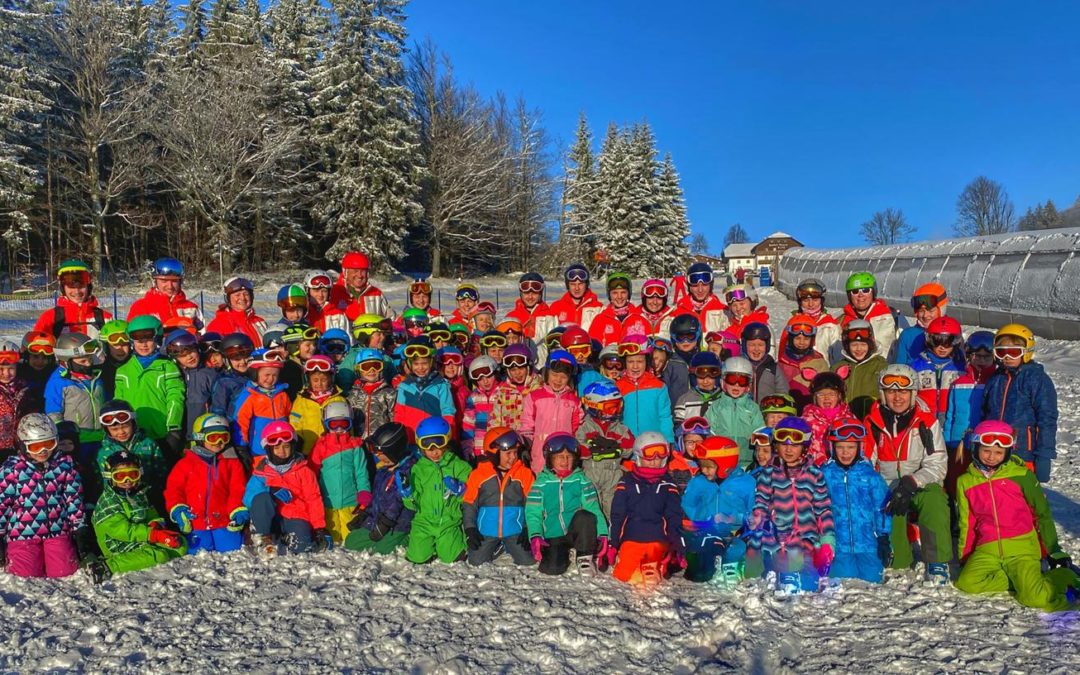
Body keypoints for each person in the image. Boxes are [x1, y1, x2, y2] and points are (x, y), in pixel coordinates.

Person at [955, 421, 1078, 611]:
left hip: (1022, 547)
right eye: (986, 450)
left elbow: (1042, 514)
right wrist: (965, 555)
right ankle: (1020, 580)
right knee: (967, 583)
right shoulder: (965, 482)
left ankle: (1063, 577)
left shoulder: (1022, 475)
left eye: (998, 452)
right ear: (976, 447)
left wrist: (1053, 549)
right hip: (988, 548)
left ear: (1007, 452)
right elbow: (967, 521)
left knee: (1035, 599)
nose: (991, 457)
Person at [862, 364, 953, 583]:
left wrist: (912, 482)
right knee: (898, 562)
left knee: (935, 499)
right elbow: (865, 462)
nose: (897, 397)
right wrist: (880, 488)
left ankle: (937, 560)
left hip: (918, 484)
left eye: (903, 391)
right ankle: (897, 549)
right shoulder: (872, 422)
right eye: (891, 391)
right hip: (888, 486)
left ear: (913, 394)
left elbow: (938, 463)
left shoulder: (926, 422)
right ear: (883, 394)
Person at [746, 417, 835, 593]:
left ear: (804, 446)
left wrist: (827, 540)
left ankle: (795, 574)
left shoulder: (814, 474)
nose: (788, 449)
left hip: (807, 540)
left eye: (794, 445)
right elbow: (761, 504)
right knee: (781, 569)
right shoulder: (769, 474)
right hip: (777, 541)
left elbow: (823, 509)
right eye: (783, 444)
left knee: (809, 583)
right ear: (776, 446)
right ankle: (780, 574)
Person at [0, 414, 84, 578]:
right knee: (24, 575)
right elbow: (2, 504)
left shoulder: (64, 465)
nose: (43, 451)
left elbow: (73, 500)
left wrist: (80, 531)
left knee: (65, 572)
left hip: (57, 531)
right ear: (24, 445)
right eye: (35, 447)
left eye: (48, 444)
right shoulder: (12, 469)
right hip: (22, 534)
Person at [88, 450, 187, 583]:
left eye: (133, 475)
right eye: (120, 476)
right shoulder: (108, 502)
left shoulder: (138, 493)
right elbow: (123, 531)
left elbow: (150, 512)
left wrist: (155, 524)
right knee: (158, 555)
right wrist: (153, 535)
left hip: (143, 535)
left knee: (180, 544)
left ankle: (149, 551)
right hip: (120, 544)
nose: (127, 480)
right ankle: (107, 566)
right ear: (110, 477)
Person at [981, 323, 1057, 483]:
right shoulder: (995, 378)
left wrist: (1044, 455)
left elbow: (1047, 419)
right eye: (1001, 352)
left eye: (1014, 352)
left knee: (1020, 498)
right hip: (994, 452)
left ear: (1026, 352)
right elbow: (985, 412)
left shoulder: (1036, 379)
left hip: (1023, 453)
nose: (1007, 357)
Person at [524, 434, 608, 575]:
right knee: (552, 569)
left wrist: (602, 533)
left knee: (585, 516)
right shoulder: (541, 484)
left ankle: (584, 557)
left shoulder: (582, 481)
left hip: (575, 531)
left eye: (569, 456)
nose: (565, 461)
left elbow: (594, 508)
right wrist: (535, 535)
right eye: (560, 457)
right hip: (553, 533)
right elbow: (533, 512)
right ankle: (562, 554)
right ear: (550, 458)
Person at [163, 413, 247, 554]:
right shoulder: (186, 464)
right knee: (197, 553)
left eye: (224, 437)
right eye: (213, 437)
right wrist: (178, 509)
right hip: (196, 522)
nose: (219, 442)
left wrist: (237, 509)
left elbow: (237, 489)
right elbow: (173, 490)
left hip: (223, 521)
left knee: (232, 551)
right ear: (200, 437)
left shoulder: (232, 462)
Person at [820, 418, 891, 583]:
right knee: (844, 578)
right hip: (840, 546)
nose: (846, 453)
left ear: (859, 448)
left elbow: (882, 508)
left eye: (851, 447)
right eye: (840, 447)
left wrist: (883, 536)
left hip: (868, 544)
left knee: (872, 579)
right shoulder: (825, 474)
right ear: (832, 447)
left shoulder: (870, 476)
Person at [609, 433, 684, 584]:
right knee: (623, 575)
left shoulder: (668, 485)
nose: (654, 461)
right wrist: (613, 544)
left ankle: (655, 566)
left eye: (659, 457)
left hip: (658, 539)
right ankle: (632, 564)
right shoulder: (627, 482)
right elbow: (617, 515)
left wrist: (678, 547)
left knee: (656, 572)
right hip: (632, 538)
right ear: (638, 456)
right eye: (649, 456)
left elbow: (674, 517)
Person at [243, 422, 328, 556]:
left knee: (302, 547)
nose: (282, 451)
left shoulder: (304, 471)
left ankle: (282, 537)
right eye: (276, 447)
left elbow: (313, 499)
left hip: (295, 514)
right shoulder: (262, 471)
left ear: (293, 446)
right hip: (270, 516)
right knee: (261, 498)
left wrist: (319, 528)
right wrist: (270, 490)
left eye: (286, 446)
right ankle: (262, 536)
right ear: (269, 449)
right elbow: (248, 498)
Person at [681, 435, 755, 584]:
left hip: (734, 534)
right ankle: (707, 563)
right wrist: (699, 521)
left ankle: (730, 565)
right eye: (702, 465)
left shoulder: (746, 483)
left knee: (737, 548)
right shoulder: (698, 482)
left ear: (725, 464)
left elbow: (753, 511)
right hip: (705, 531)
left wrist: (736, 519)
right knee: (699, 570)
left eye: (709, 466)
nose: (704, 470)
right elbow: (687, 504)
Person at [114, 315, 186, 459]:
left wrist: (173, 427)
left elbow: (175, 397)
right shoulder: (123, 371)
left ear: (157, 340)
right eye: (139, 341)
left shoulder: (167, 367)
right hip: (133, 434)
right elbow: (118, 402)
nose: (144, 345)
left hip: (161, 431)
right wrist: (117, 429)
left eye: (148, 340)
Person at [462, 427, 535, 567]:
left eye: (515, 453)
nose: (513, 457)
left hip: (515, 531)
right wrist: (470, 529)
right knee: (475, 561)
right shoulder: (479, 474)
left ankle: (507, 544)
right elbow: (469, 503)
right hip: (487, 531)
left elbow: (531, 504)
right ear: (494, 453)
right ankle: (496, 545)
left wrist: (528, 528)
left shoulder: (524, 474)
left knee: (528, 561)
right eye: (508, 453)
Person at [402, 416, 471, 564]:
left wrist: (461, 490)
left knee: (452, 557)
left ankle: (456, 539)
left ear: (446, 440)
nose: (434, 450)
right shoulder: (418, 469)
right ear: (420, 445)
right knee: (417, 557)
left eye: (438, 442)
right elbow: (413, 505)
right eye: (427, 444)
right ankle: (423, 542)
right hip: (424, 522)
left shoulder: (459, 466)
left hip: (449, 521)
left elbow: (472, 495)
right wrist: (408, 495)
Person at [343, 422, 417, 555]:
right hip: (378, 520)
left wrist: (386, 523)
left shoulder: (407, 471)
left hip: (399, 524)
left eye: (381, 453)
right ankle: (385, 539)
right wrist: (365, 514)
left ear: (395, 451)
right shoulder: (383, 470)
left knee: (383, 549)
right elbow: (376, 496)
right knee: (351, 541)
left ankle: (410, 538)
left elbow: (398, 502)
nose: (378, 456)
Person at [308, 400, 371, 544]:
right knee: (332, 538)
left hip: (350, 502)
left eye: (344, 424)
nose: (339, 429)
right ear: (326, 424)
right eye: (333, 424)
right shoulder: (321, 446)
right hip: (328, 503)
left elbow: (361, 472)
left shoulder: (355, 446)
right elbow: (311, 474)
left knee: (351, 539)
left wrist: (364, 492)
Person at [943, 331, 996, 497]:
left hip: (983, 443)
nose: (981, 360)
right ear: (968, 356)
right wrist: (947, 440)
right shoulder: (959, 383)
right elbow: (951, 414)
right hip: (959, 442)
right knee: (956, 478)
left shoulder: (994, 381)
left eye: (986, 357)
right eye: (977, 356)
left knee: (978, 483)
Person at [96, 400, 170, 514]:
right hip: (119, 503)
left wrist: (157, 491)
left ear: (133, 423)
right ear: (106, 430)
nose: (121, 432)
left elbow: (161, 471)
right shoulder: (104, 452)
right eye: (114, 429)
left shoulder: (148, 444)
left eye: (125, 426)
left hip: (149, 498)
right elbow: (104, 482)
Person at [576, 381, 634, 521]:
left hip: (613, 473)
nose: (615, 411)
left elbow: (630, 446)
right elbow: (579, 448)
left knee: (614, 508)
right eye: (610, 407)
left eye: (618, 406)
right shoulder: (585, 427)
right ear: (594, 406)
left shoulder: (619, 428)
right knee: (591, 506)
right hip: (591, 473)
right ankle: (594, 537)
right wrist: (593, 450)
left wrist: (615, 446)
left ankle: (613, 536)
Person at [519, 350, 583, 474]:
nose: (558, 380)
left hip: (564, 456)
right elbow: (527, 424)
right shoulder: (534, 397)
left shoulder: (574, 401)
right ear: (547, 373)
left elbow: (577, 426)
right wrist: (526, 446)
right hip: (540, 455)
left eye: (563, 377)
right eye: (554, 375)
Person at [45, 332, 107, 450]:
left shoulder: (96, 377)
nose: (88, 364)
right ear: (66, 362)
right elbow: (53, 413)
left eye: (90, 359)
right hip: (76, 440)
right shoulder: (59, 382)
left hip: (101, 438)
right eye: (82, 361)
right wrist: (64, 438)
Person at [704, 357, 765, 464]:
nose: (736, 385)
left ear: (748, 385)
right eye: (732, 379)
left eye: (742, 381)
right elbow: (708, 432)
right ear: (723, 381)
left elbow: (760, 433)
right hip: (722, 459)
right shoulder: (716, 406)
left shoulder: (752, 408)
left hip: (746, 460)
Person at [392, 338, 455, 438]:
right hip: (411, 437)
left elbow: (448, 411)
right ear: (409, 364)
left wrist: (448, 435)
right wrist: (400, 436)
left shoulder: (441, 385)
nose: (420, 368)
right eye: (416, 364)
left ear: (431, 362)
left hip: (434, 437)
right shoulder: (404, 387)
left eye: (424, 363)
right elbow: (399, 414)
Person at [32, 259, 111, 338]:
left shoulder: (104, 318)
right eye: (71, 287)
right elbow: (36, 346)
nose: (76, 291)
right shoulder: (49, 318)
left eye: (81, 286)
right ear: (63, 288)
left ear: (88, 287)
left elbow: (118, 348)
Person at [615, 335, 673, 442]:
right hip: (626, 443)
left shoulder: (659, 386)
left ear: (647, 362)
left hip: (653, 443)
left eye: (640, 361)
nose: (635, 366)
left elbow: (665, 417)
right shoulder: (617, 387)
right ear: (624, 363)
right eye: (630, 362)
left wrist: (668, 440)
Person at [234, 350, 292, 455]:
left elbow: (289, 417)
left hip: (281, 449)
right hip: (259, 450)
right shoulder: (249, 396)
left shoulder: (282, 395)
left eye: (275, 375)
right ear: (254, 374)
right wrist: (241, 447)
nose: (271, 379)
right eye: (267, 375)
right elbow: (240, 423)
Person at [288, 355, 347, 456]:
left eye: (323, 380)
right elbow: (295, 424)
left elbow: (347, 427)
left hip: (333, 451)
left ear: (331, 379)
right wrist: (297, 445)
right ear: (308, 380)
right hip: (308, 451)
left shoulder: (339, 400)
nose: (319, 384)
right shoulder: (301, 401)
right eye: (315, 380)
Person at [163, 330, 218, 436]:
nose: (189, 357)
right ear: (175, 358)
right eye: (183, 355)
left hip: (203, 431)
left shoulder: (209, 374)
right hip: (178, 430)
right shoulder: (173, 375)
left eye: (191, 351)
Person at [911, 316, 964, 423]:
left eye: (948, 342)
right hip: (923, 420)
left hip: (950, 421)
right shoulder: (916, 367)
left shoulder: (960, 367)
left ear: (956, 342)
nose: (942, 347)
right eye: (937, 341)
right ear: (929, 340)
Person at [830, 319, 886, 419]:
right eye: (854, 345)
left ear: (871, 344)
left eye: (863, 344)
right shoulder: (837, 368)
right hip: (843, 421)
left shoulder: (881, 366)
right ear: (847, 346)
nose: (859, 349)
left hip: (871, 420)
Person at [127, 257, 203, 328]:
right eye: (164, 281)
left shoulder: (191, 308)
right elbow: (134, 338)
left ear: (180, 282)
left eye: (174, 281)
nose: (170, 286)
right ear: (155, 281)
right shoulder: (141, 307)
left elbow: (201, 335)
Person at [839, 272, 898, 360]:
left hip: (885, 368)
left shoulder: (891, 316)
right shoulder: (841, 321)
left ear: (873, 292)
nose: (860, 295)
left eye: (866, 290)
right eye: (855, 292)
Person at [777, 314, 829, 411]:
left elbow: (826, 390)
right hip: (787, 410)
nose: (801, 342)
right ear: (790, 339)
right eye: (797, 338)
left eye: (806, 339)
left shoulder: (819, 362)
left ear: (812, 340)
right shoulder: (782, 363)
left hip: (812, 411)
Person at [801, 372, 853, 466]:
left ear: (839, 396)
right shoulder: (806, 420)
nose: (826, 398)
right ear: (814, 397)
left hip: (841, 468)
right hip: (814, 469)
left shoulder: (849, 419)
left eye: (832, 394)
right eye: (821, 394)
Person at [0, 339, 40, 459]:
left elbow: (33, 413)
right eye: (1, 369)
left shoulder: (25, 388)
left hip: (20, 446)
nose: (6, 374)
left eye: (11, 368)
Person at [345, 348, 396, 440]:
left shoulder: (389, 393)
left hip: (381, 440)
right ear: (358, 369)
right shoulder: (353, 393)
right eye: (366, 367)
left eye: (376, 366)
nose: (371, 370)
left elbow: (394, 417)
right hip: (359, 441)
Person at [488, 344, 543, 430]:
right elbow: (495, 420)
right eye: (513, 370)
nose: (517, 373)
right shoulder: (503, 392)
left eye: (521, 368)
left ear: (528, 367)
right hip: (510, 439)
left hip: (533, 437)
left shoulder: (539, 388)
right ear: (508, 371)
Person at [329, 251, 395, 321]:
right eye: (355, 271)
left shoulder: (376, 294)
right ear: (345, 272)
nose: (360, 275)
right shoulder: (333, 293)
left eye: (363, 271)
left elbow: (391, 319)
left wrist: (404, 321)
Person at [588, 272, 649, 346]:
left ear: (628, 294)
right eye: (615, 293)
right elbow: (593, 347)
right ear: (609, 295)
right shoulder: (600, 319)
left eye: (623, 292)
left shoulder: (640, 317)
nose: (619, 297)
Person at [205, 277, 267, 348]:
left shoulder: (260, 322)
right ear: (228, 299)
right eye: (237, 295)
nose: (243, 298)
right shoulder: (217, 326)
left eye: (246, 294)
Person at [461, 356, 500, 463]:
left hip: (500, 449)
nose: (485, 381)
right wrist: (467, 448)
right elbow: (468, 425)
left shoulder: (504, 393)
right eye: (480, 379)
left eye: (488, 376)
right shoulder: (473, 398)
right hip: (480, 450)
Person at [741, 322, 789, 404]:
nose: (756, 349)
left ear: (767, 346)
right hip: (743, 413)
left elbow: (783, 393)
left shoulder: (773, 368)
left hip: (766, 413)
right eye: (752, 345)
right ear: (745, 346)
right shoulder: (739, 366)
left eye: (760, 345)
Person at [791, 279, 840, 359]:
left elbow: (837, 358)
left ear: (821, 301)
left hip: (823, 369)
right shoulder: (794, 324)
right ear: (800, 302)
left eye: (815, 300)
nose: (810, 304)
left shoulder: (830, 326)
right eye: (806, 300)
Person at [674, 262, 727, 333]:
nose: (700, 290)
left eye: (704, 285)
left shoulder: (723, 311)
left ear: (710, 285)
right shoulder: (677, 311)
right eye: (695, 285)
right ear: (689, 286)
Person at [547, 263, 603, 329]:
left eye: (580, 284)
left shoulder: (599, 309)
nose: (577, 288)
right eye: (573, 284)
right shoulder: (556, 307)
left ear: (586, 285)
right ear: (567, 285)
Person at [674, 351, 723, 424]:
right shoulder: (685, 400)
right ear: (694, 377)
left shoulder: (723, 399)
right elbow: (678, 427)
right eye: (701, 376)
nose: (706, 381)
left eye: (710, 376)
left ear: (717, 377)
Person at [506, 272, 552, 340]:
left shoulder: (550, 316)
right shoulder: (510, 318)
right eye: (526, 293)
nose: (530, 297)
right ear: (521, 293)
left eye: (534, 293)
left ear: (541, 293)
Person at [16, 331, 57, 400]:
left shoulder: (55, 374)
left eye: (45, 357)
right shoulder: (17, 373)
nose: (40, 361)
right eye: (35, 356)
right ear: (26, 356)